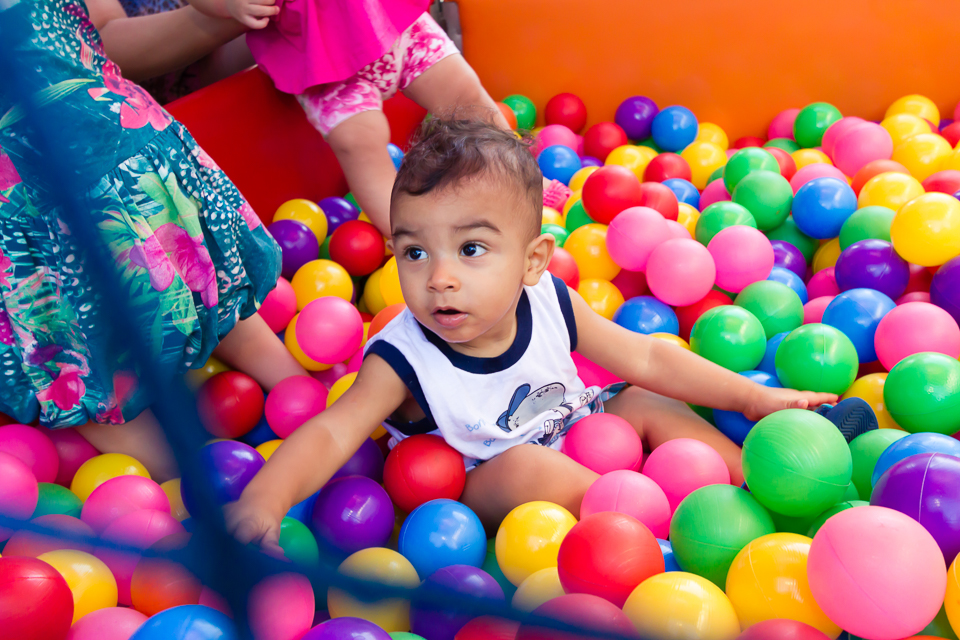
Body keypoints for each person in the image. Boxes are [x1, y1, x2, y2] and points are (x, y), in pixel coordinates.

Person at [225, 117, 844, 548]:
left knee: (647, 398)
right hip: (484, 481)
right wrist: (265, 500)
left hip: (579, 426)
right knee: (530, 467)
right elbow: (334, 430)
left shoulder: (549, 298)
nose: (439, 278)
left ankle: (754, 486)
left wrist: (752, 397)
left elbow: (649, 358)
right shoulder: (402, 357)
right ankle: (656, 540)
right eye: (414, 252)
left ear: (533, 261)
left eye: (471, 249)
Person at [0, 0, 307, 482]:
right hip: (83, 166)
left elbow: (102, 23)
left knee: (96, 359)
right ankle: (198, 485)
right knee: (191, 292)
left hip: (96, 155)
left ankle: (207, 480)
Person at [183, 0, 569, 236]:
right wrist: (228, 4)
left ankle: (525, 184)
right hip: (321, 60)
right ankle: (415, 240)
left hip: (394, 24)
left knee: (467, 97)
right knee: (363, 145)